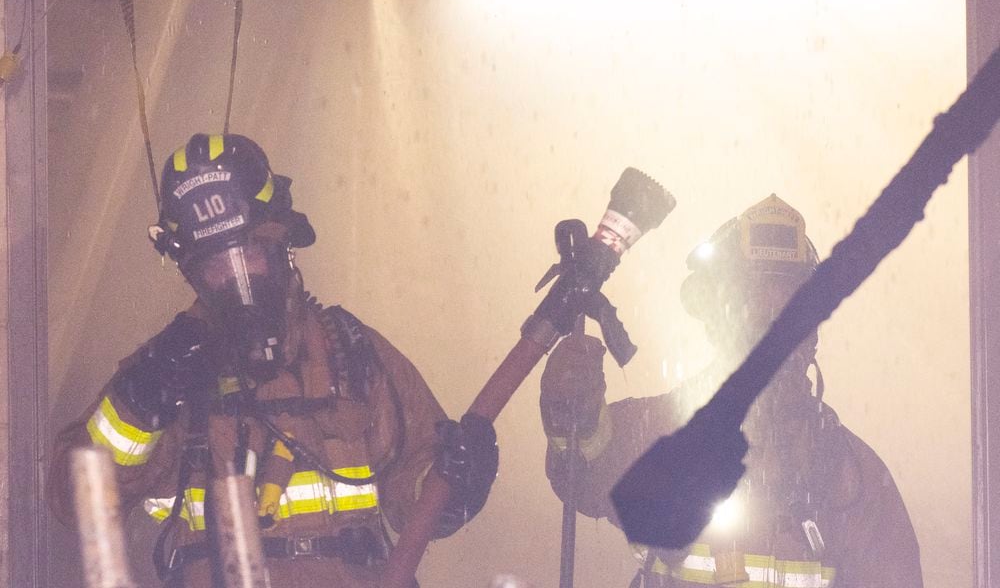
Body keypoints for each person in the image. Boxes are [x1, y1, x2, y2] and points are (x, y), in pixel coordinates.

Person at [46, 133, 499, 587]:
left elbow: (416, 498)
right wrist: (138, 404)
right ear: (193, 273)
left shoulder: (353, 353)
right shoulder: (170, 373)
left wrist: (458, 481)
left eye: (248, 254)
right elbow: (79, 506)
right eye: (217, 266)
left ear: (283, 243)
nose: (236, 280)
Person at [540, 194, 923, 587]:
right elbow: (582, 474)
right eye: (756, 303)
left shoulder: (851, 481)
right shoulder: (662, 432)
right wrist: (573, 415)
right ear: (719, 317)